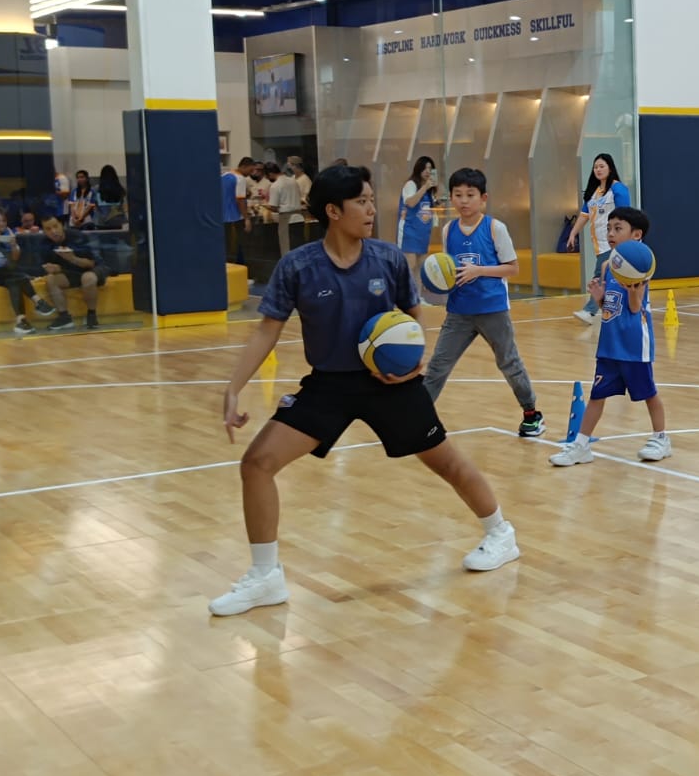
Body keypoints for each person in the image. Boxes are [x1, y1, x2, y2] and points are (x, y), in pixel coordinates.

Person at [209, 164, 520, 617]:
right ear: (333, 211)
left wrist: (414, 360)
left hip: (389, 384)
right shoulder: (297, 266)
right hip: (330, 384)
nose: (372, 210)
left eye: (373, 200)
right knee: (256, 463)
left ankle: (500, 533)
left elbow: (415, 313)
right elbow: (266, 331)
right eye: (362, 202)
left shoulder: (387, 258)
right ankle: (265, 577)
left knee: (447, 462)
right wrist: (233, 388)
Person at [420, 167, 546, 438]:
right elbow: (448, 268)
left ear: (483, 198)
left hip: (492, 309)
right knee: (438, 366)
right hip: (458, 311)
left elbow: (512, 268)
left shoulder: (494, 228)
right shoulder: (448, 230)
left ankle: (531, 413)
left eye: (470, 195)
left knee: (509, 363)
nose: (464, 201)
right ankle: (416, 419)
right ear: (451, 197)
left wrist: (479, 271)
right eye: (458, 195)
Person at [550, 206, 671, 466]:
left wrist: (633, 288)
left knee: (648, 392)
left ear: (636, 235)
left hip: (634, 344)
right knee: (596, 395)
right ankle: (581, 445)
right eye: (609, 228)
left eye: (618, 228)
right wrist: (599, 299)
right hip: (609, 344)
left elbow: (635, 308)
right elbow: (610, 309)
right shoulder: (607, 266)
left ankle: (661, 438)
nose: (611, 233)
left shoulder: (640, 268)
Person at [565, 153, 631, 325]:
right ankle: (614, 307)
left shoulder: (618, 189)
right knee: (610, 276)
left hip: (613, 242)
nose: (598, 169)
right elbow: (584, 215)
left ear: (610, 167)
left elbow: (625, 215)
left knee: (600, 275)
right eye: (596, 167)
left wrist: (623, 238)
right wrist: (573, 233)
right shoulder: (594, 194)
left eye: (602, 166)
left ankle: (590, 311)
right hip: (599, 243)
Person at [39, 215, 104, 331]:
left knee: (87, 278)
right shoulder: (44, 244)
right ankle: (64, 318)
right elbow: (42, 266)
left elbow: (90, 263)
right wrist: (53, 269)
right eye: (48, 229)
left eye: (55, 226)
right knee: (51, 279)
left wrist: (72, 258)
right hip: (71, 273)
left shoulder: (77, 237)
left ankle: (91, 315)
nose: (53, 231)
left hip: (92, 270)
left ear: (62, 225)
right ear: (44, 231)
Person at [398, 156, 439, 270]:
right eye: (424, 168)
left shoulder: (429, 189)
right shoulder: (411, 184)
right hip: (410, 231)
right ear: (418, 169)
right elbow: (410, 203)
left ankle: (420, 288)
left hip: (423, 232)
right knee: (410, 267)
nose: (427, 171)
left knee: (422, 268)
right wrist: (425, 187)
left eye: (430, 169)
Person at [264, 160, 303, 256]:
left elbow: (274, 206)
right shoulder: (293, 181)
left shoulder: (275, 185)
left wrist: (265, 206)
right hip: (299, 218)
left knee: (287, 250)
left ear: (270, 173)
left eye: (267, 176)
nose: (268, 178)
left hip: (286, 219)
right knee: (299, 249)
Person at [222, 157, 250, 263]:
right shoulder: (240, 178)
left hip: (223, 217)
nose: (251, 173)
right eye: (250, 170)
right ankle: (241, 268)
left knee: (227, 247)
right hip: (236, 217)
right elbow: (240, 200)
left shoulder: (223, 175)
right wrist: (247, 218)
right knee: (240, 245)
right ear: (244, 166)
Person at [93, 165, 127, 229]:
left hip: (101, 221)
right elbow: (122, 204)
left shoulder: (96, 189)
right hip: (116, 220)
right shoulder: (120, 189)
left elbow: (96, 205)